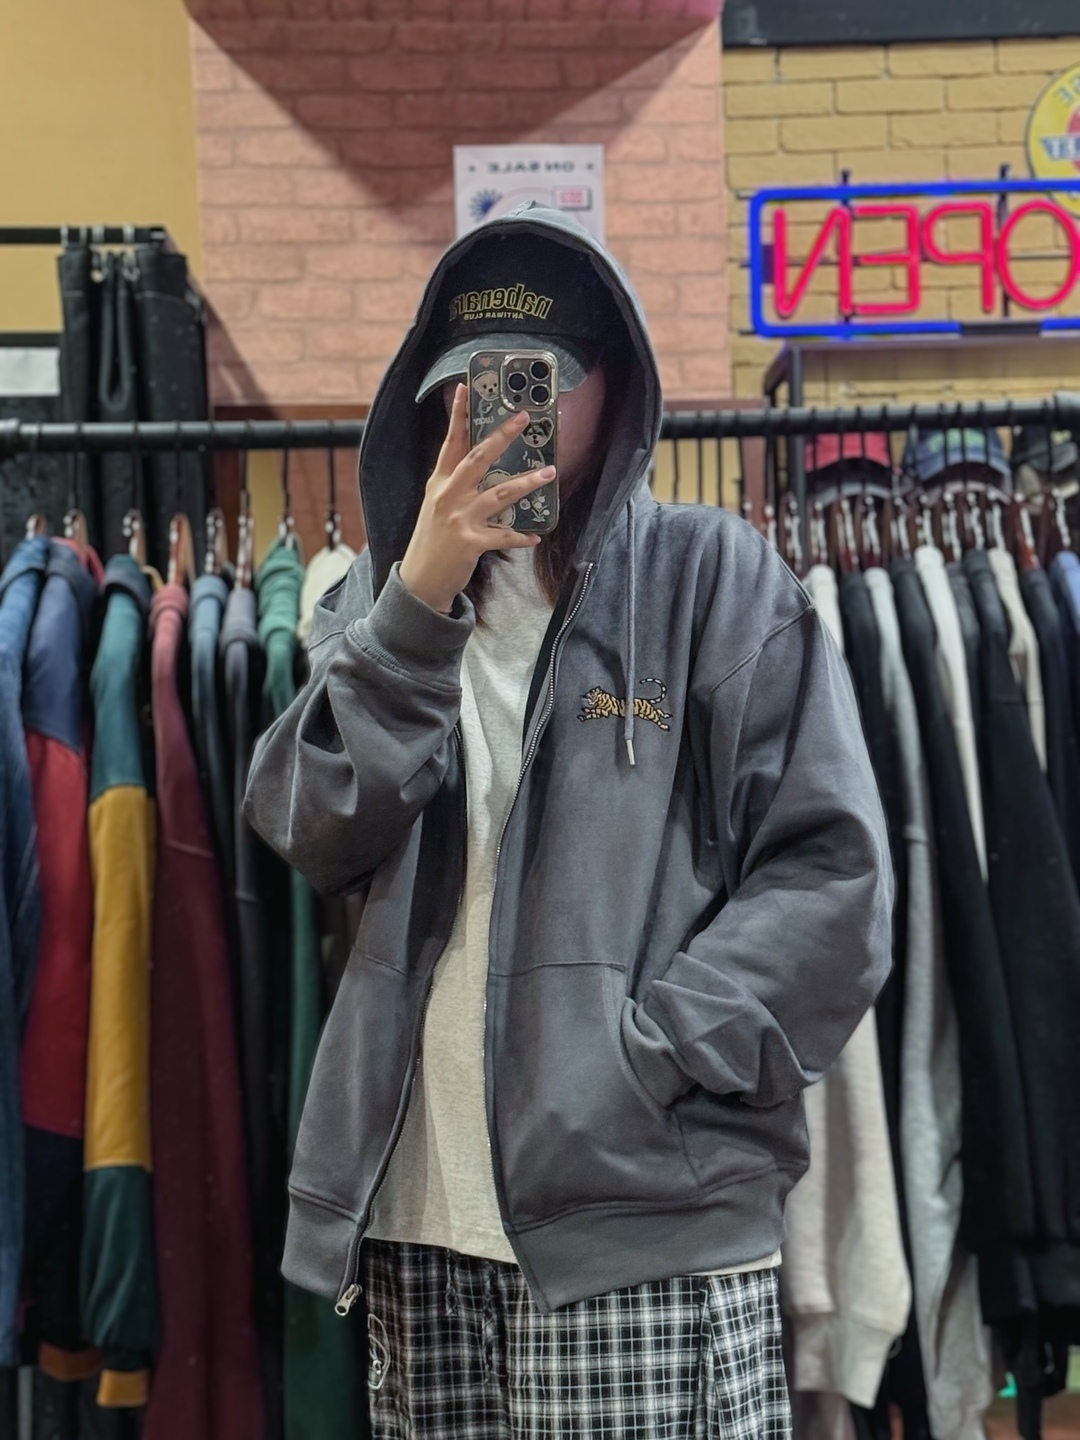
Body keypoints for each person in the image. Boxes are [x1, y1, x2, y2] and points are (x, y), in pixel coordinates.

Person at [245, 203, 893, 1438]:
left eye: (532, 381)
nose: (495, 409)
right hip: (420, 1230)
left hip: (639, 1226)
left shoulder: (709, 580)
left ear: (610, 389)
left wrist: (650, 1059)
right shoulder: (375, 602)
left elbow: (832, 882)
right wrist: (416, 606)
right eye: (467, 380)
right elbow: (314, 828)